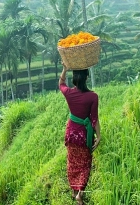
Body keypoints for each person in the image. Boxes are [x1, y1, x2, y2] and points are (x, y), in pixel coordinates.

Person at [58, 63, 101, 205]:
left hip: (71, 134)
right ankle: (80, 193)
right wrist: (98, 137)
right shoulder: (93, 96)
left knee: (72, 162)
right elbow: (94, 119)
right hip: (84, 136)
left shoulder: (69, 93)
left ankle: (75, 192)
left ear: (75, 79)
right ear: (87, 78)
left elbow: (61, 83)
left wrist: (64, 69)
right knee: (85, 163)